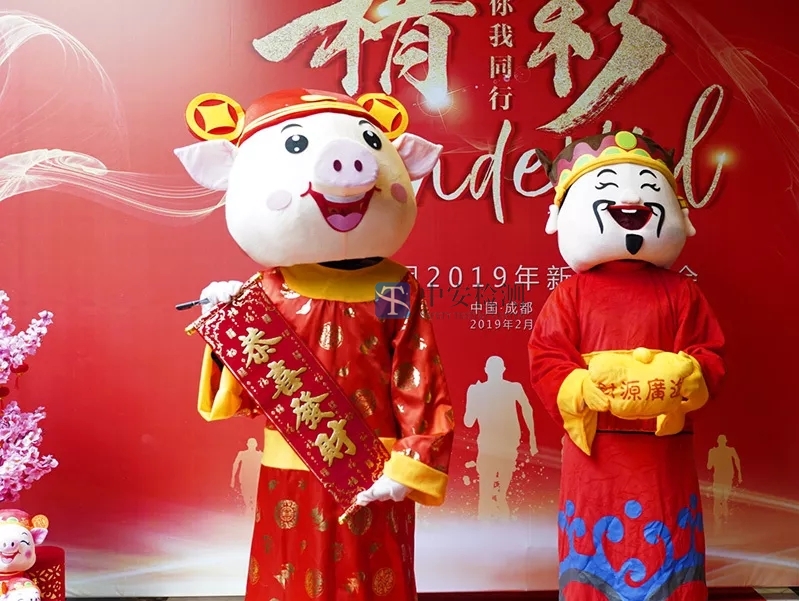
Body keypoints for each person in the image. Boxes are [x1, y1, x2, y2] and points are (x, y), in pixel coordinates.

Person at [174, 88, 452, 601]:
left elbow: (417, 375)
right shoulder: (270, 290)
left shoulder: (392, 288)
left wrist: (411, 462)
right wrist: (229, 323)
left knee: (371, 580)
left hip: (374, 470)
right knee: (290, 576)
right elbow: (246, 396)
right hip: (291, 467)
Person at [528, 128, 725, 601]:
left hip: (662, 453)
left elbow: (709, 354)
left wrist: (687, 375)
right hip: (596, 452)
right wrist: (578, 385)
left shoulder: (682, 292)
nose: (632, 201)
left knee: (667, 552)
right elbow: (547, 358)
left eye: (648, 189)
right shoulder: (570, 295)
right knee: (593, 560)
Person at [464, 355, 538, 520]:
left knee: (488, 494)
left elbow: (468, 422)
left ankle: (490, 526)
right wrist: (532, 438)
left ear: (486, 370)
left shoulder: (478, 390)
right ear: (503, 370)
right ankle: (498, 526)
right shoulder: (512, 388)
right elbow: (527, 409)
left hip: (497, 447)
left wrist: (474, 397)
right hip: (502, 447)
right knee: (500, 495)